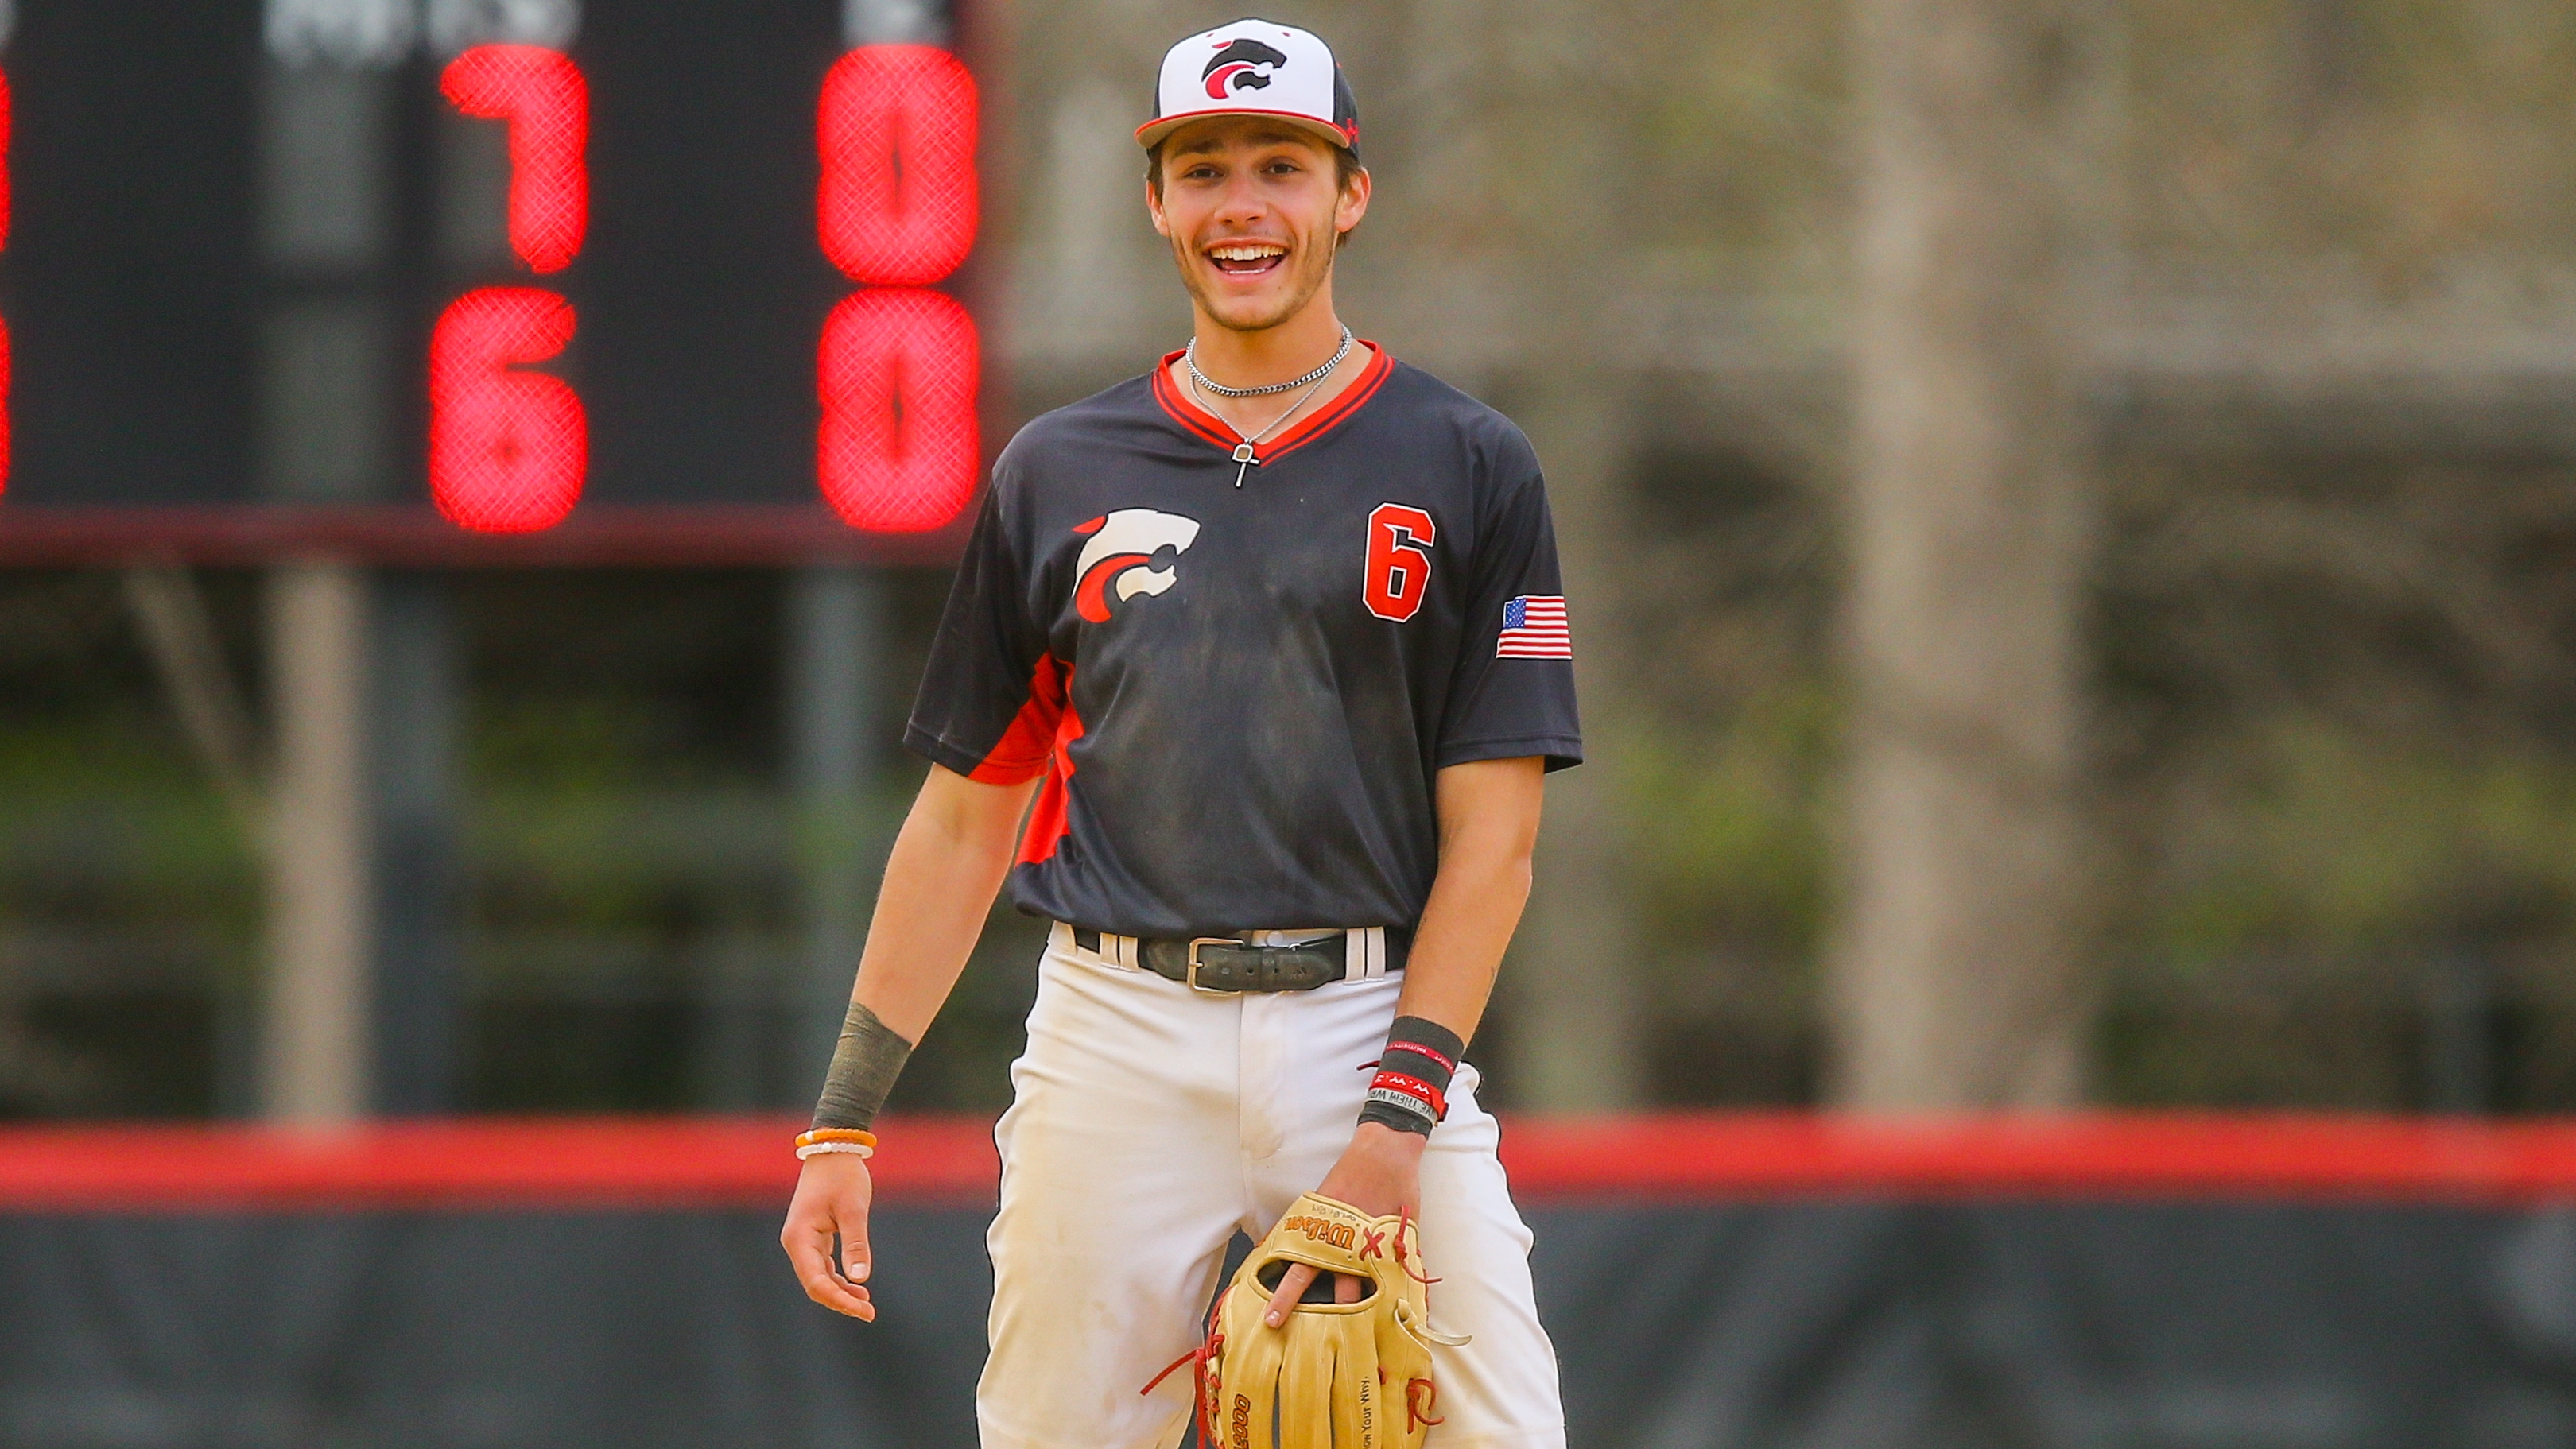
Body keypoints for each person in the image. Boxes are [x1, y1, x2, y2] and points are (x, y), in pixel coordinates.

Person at [779, 18, 1579, 1448]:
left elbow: (1498, 844)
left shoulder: (1469, 463)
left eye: (1283, 164)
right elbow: (965, 820)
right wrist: (844, 1120)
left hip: (1371, 1022)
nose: (1243, 206)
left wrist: (1396, 1127)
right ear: (1156, 201)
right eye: (1202, 168)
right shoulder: (1058, 472)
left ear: (1351, 192)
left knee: (1509, 1433)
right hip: (1119, 1027)